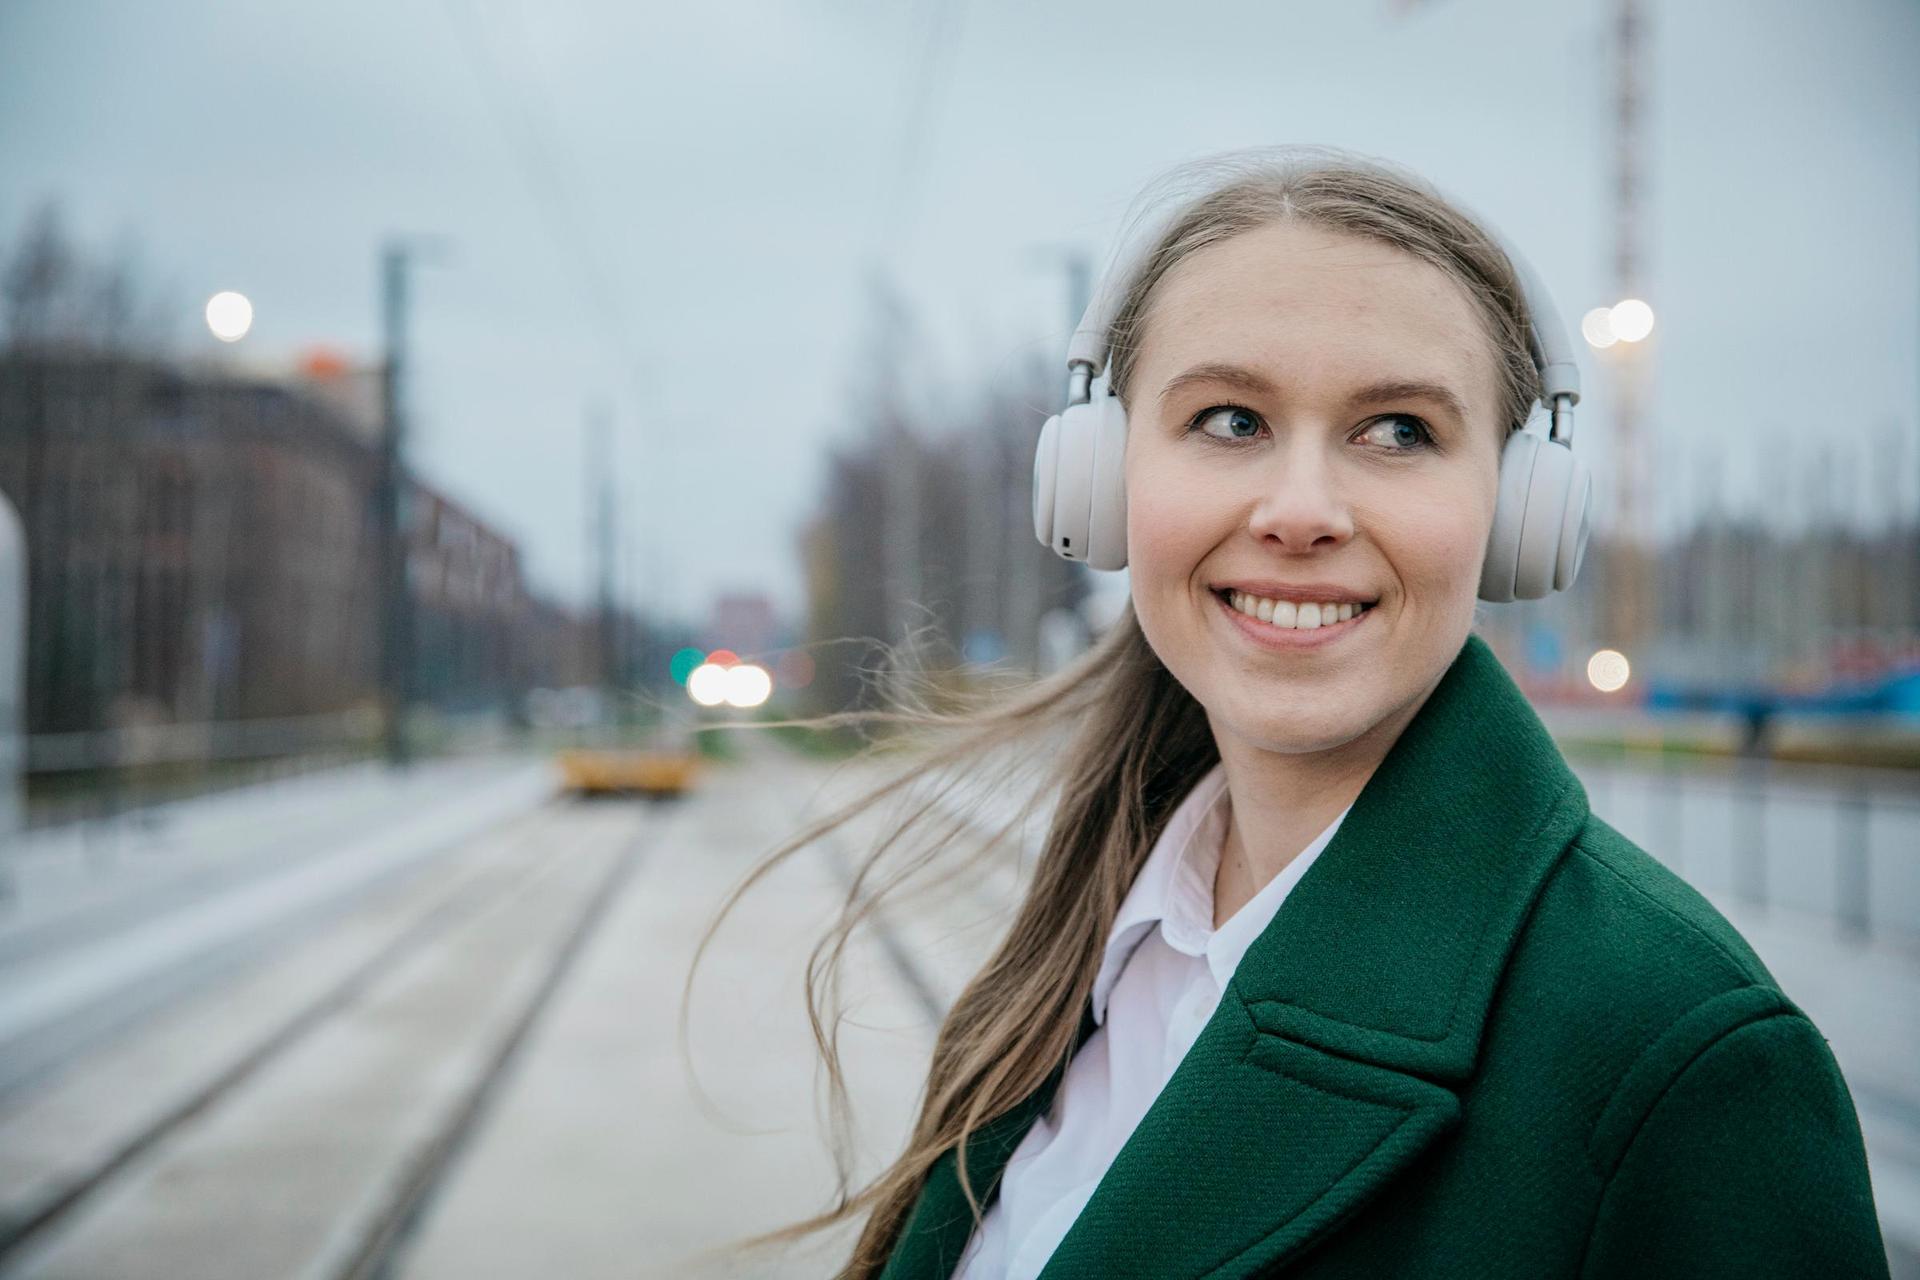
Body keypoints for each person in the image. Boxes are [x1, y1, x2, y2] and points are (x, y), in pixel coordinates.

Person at [708, 147, 1888, 1279]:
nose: (1302, 509)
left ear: (1522, 514)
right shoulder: (1101, 932)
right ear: (1103, 479)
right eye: (1230, 419)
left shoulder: (1685, 1055)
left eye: (1399, 430)